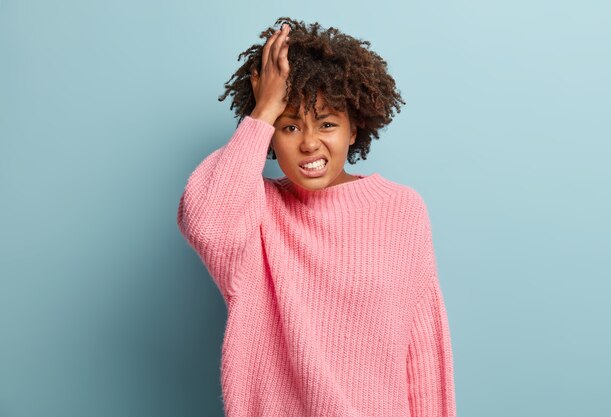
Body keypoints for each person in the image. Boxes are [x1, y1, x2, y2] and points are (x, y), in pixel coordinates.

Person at [177, 17, 457, 417]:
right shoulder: (256, 211)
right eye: (290, 127)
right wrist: (263, 112)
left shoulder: (401, 210)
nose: (309, 143)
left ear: (354, 128)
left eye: (327, 124)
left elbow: (423, 348)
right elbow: (205, 222)